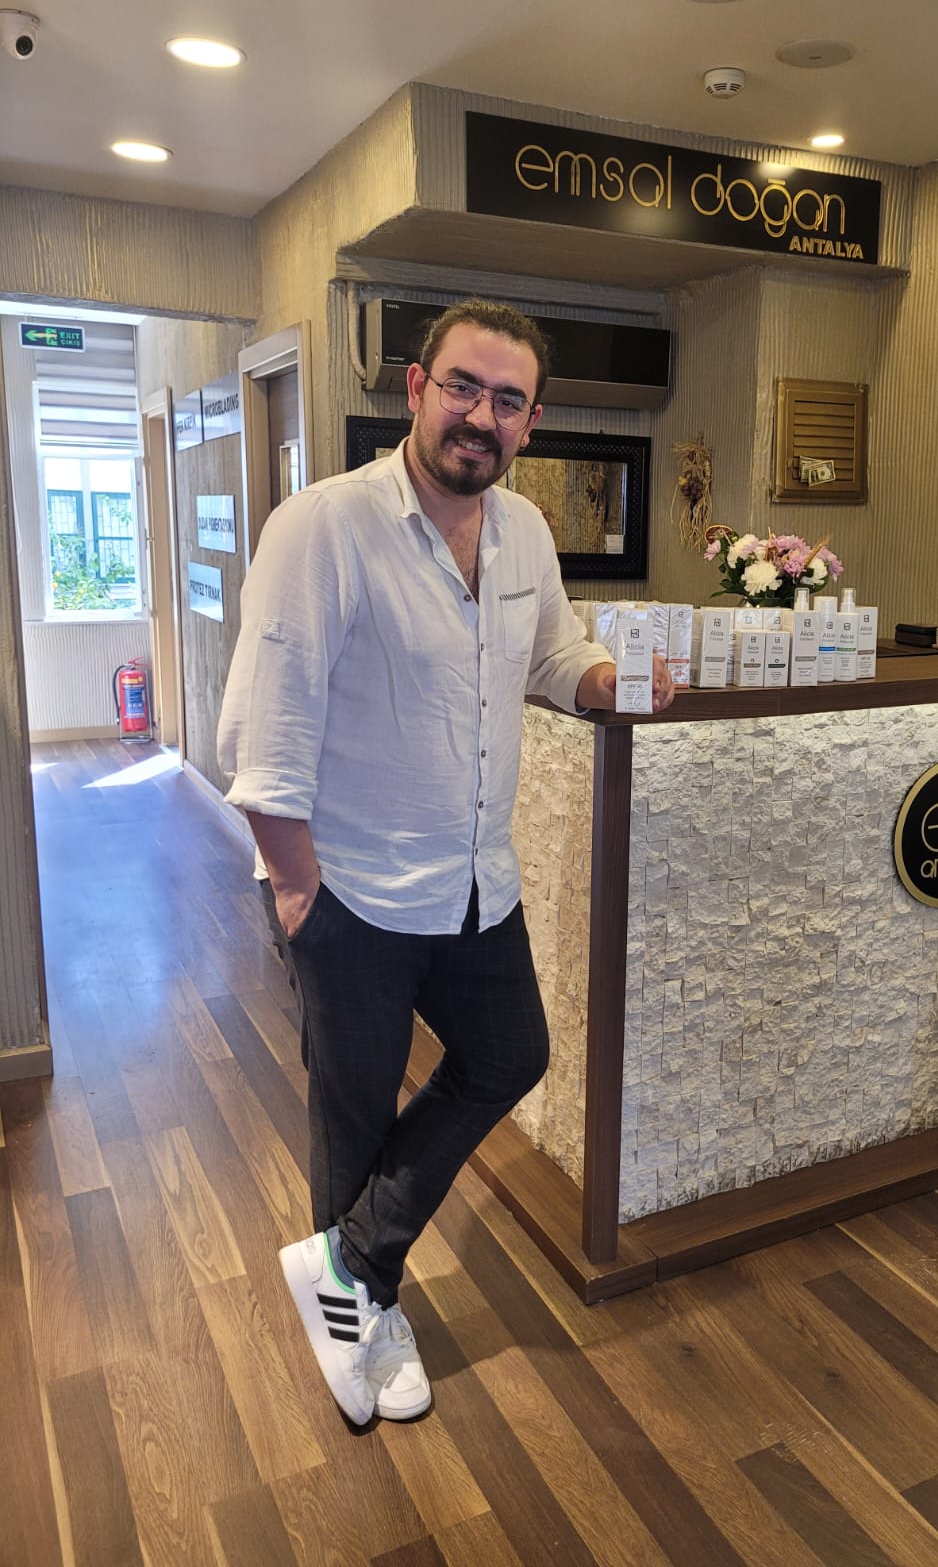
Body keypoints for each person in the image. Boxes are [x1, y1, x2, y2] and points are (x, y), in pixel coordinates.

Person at [217, 298, 675, 1426]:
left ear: (531, 421)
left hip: (477, 882)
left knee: (511, 1053)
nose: (482, 415)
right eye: (463, 386)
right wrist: (297, 893)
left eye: (508, 400)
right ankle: (366, 1323)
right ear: (416, 389)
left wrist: (607, 682)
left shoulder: (523, 533)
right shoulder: (324, 527)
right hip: (352, 891)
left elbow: (552, 652)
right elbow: (266, 729)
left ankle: (349, 1268)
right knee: (356, 1116)